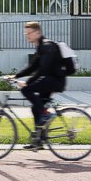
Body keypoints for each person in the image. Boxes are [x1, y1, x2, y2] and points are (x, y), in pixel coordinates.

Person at [7, 20, 69, 149]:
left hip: (54, 81)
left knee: (26, 90)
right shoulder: (41, 47)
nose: (27, 35)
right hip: (50, 80)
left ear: (38, 32)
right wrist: (16, 76)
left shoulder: (46, 46)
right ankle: (38, 141)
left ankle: (46, 114)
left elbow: (43, 69)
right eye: (26, 33)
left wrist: (27, 82)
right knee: (35, 108)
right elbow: (33, 66)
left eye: (30, 33)